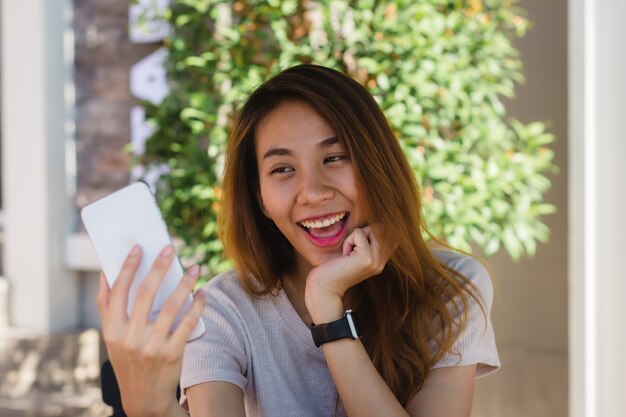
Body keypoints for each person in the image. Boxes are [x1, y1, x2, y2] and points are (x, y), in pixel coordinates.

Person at [97, 64, 499, 417]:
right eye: (283, 169)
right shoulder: (224, 312)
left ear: (378, 166)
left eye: (335, 158)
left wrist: (328, 311)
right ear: (260, 197)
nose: (312, 191)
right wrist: (150, 410)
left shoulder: (450, 288)